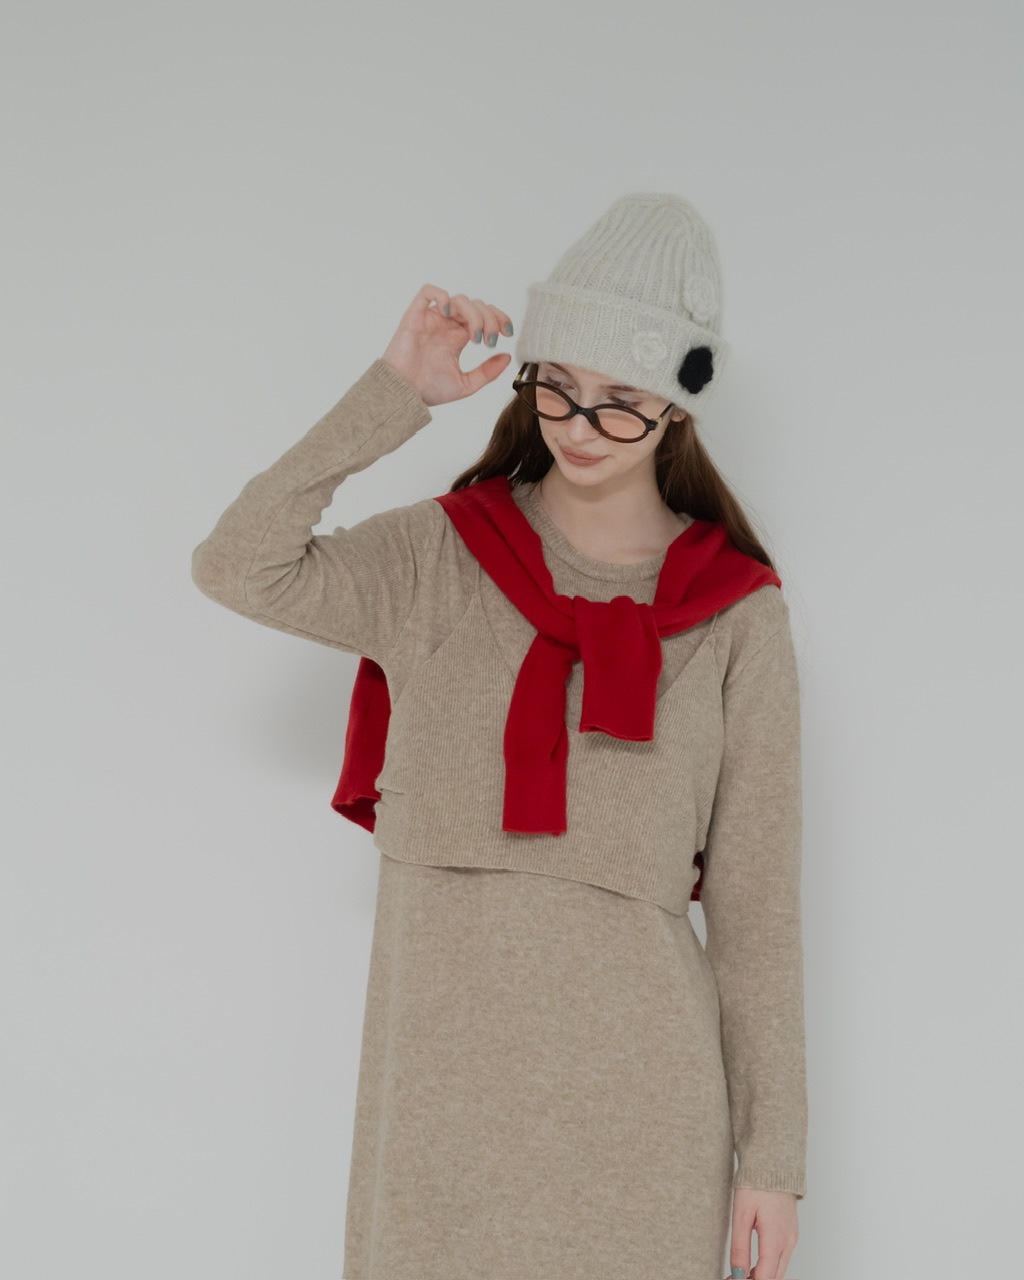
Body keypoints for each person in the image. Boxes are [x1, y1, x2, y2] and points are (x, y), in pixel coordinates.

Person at [191, 193, 807, 1280]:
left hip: (643, 1125)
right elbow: (237, 564)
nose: (579, 424)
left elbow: (757, 914)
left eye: (622, 400)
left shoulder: (735, 615)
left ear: (679, 404)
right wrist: (394, 392)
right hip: (437, 1117)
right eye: (557, 384)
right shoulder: (436, 558)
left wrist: (772, 1160)